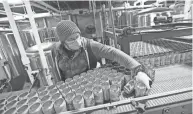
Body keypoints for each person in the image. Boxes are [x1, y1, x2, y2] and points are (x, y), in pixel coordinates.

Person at [51, 20, 152, 89]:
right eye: (71, 39)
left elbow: (113, 53)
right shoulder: (56, 50)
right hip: (68, 90)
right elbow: (55, 71)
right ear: (63, 42)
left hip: (90, 88)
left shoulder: (90, 45)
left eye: (77, 36)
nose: (77, 41)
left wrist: (138, 70)